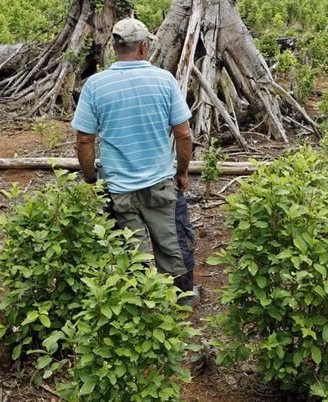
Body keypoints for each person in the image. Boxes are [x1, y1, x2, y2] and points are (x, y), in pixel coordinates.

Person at [72, 18, 199, 306]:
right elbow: (183, 134)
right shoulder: (164, 80)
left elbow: (84, 140)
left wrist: (91, 178)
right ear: (143, 47)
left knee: (130, 251)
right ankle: (182, 298)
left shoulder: (95, 85)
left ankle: (139, 306)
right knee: (174, 242)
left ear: (115, 47)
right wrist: (182, 172)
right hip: (161, 183)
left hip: (118, 188)